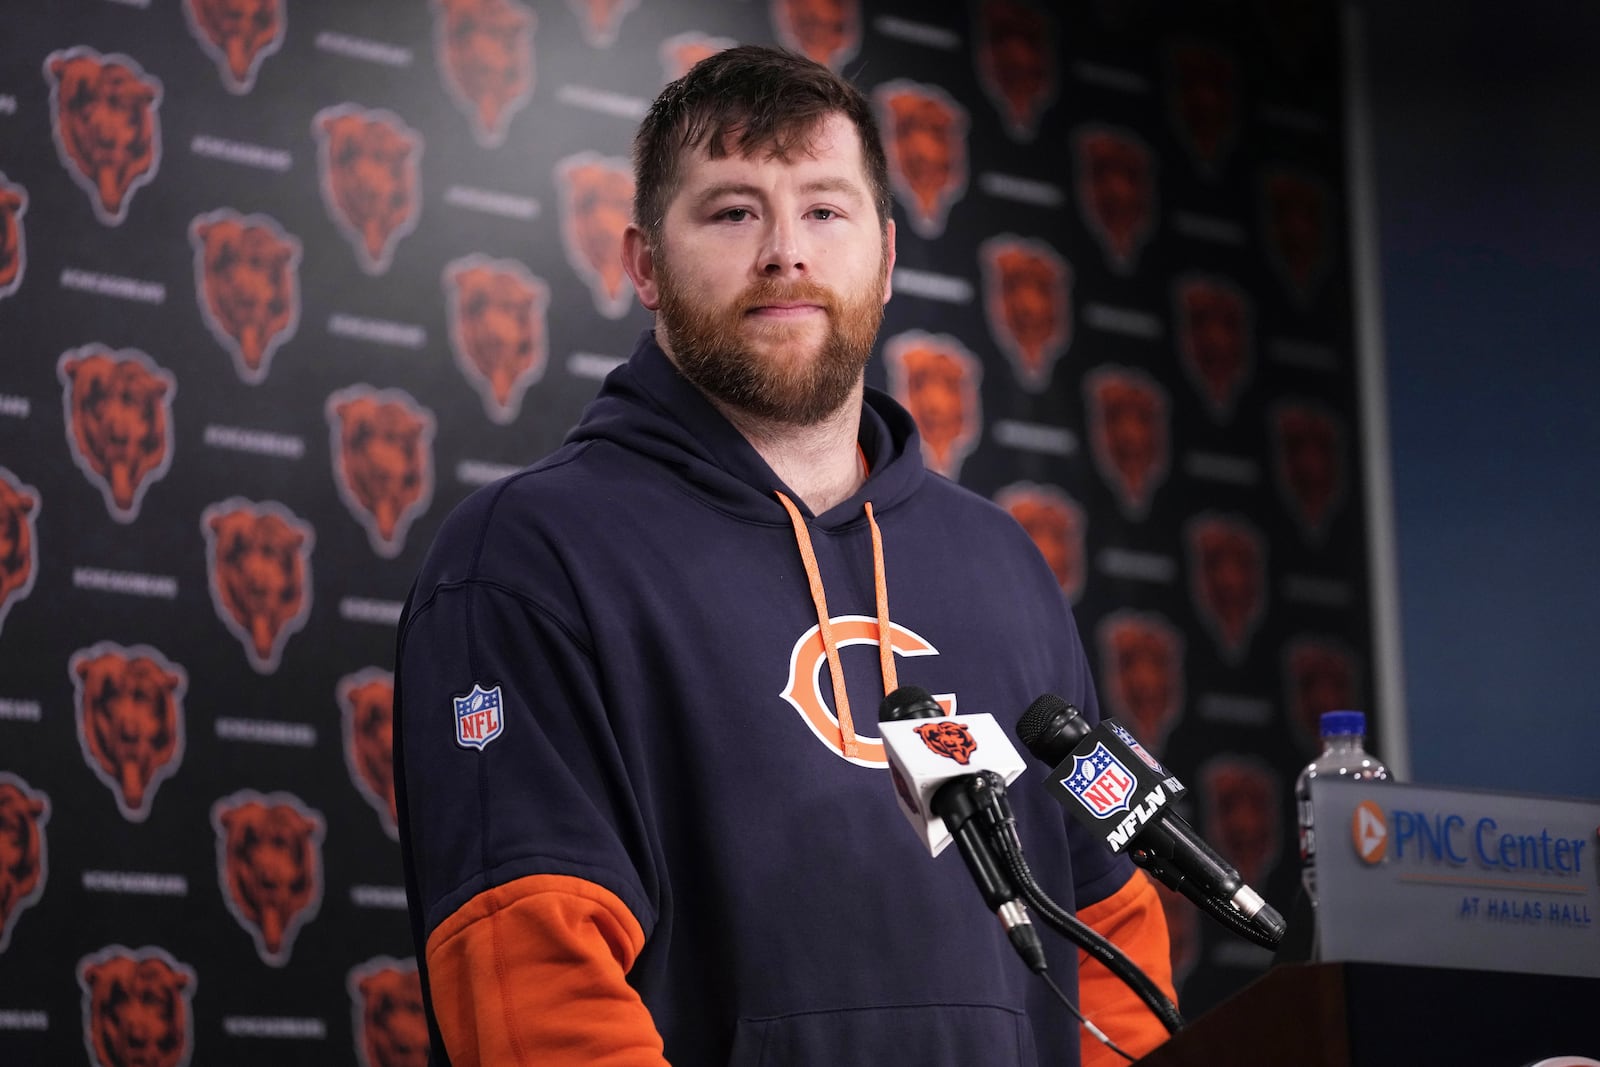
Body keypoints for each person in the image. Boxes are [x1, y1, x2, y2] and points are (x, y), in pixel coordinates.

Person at [394, 44, 1175, 1067]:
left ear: (886, 259)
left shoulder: (999, 562)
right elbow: (533, 987)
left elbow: (1114, 937)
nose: (784, 252)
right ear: (643, 263)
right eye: (731, 212)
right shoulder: (529, 559)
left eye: (823, 209)